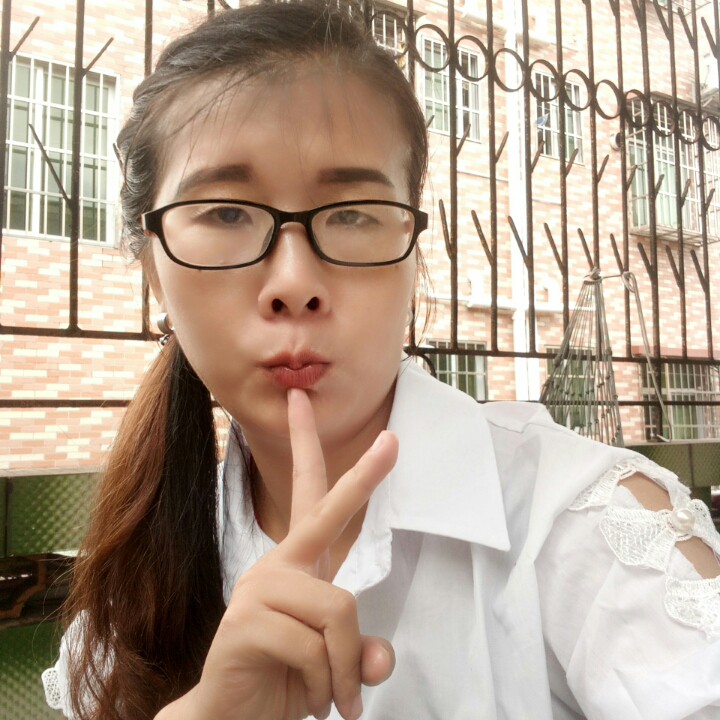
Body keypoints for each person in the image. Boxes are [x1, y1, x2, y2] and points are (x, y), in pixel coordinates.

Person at [42, 2, 720, 719]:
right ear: (153, 270)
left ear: (412, 252)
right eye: (226, 213)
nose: (294, 283)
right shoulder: (126, 603)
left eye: (352, 213)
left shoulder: (584, 530)